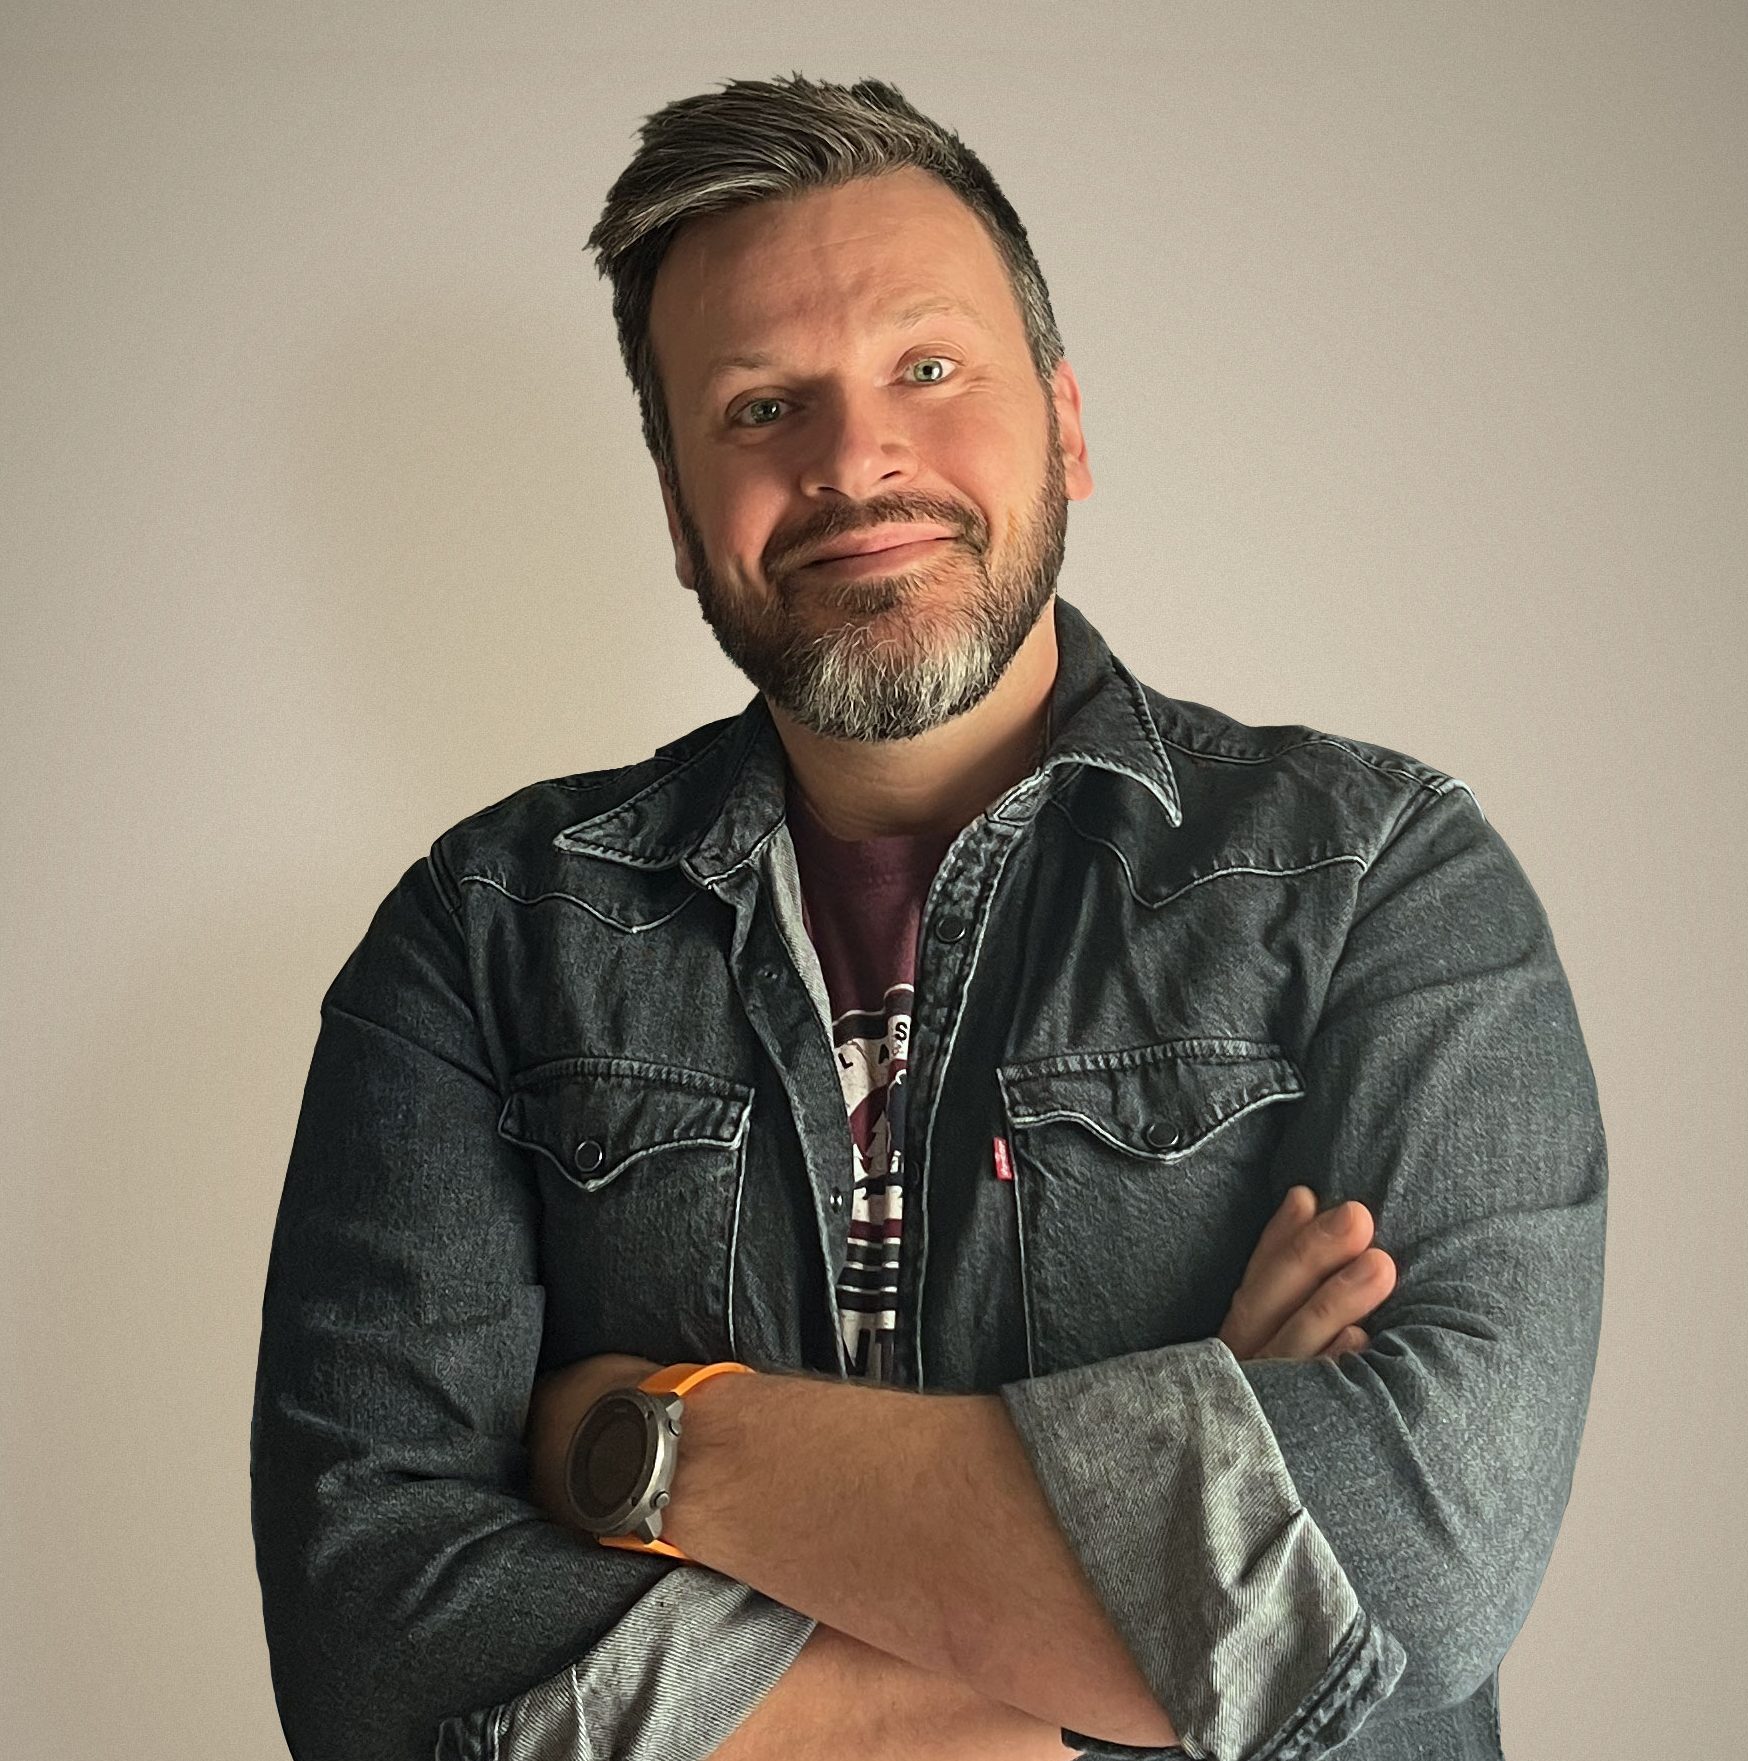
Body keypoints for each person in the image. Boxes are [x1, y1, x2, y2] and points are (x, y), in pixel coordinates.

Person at [250, 74, 1607, 1761]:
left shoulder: (1376, 883)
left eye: (926, 368)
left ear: (1065, 425)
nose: (852, 458)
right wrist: (1182, 1521)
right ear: (681, 513)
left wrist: (652, 1446)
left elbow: (1407, 1578)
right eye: (758, 407)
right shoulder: (482, 935)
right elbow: (374, 1670)